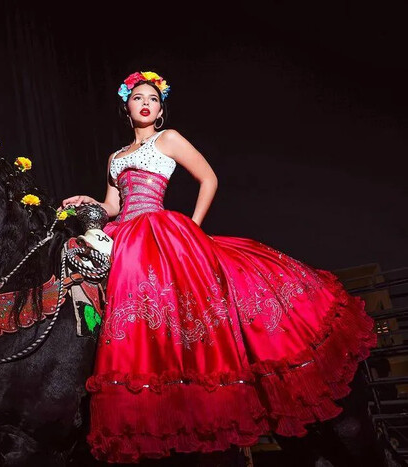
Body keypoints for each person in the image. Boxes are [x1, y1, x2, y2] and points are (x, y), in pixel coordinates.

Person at [62, 71, 377, 464]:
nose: (146, 103)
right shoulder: (114, 157)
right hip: (123, 231)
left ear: (160, 110)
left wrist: (190, 227)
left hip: (160, 229)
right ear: (126, 106)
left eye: (154, 99)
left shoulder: (169, 139)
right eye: (138, 97)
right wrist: (85, 201)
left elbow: (208, 178)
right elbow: (112, 206)